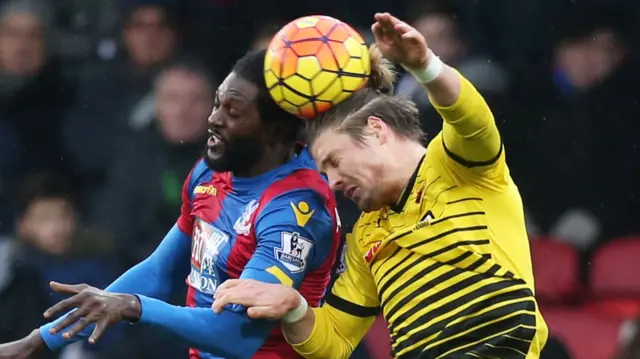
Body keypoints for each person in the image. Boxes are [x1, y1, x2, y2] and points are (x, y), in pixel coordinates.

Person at [211, 12, 549, 359]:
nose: (333, 183)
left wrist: (425, 65)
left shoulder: (459, 166)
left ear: (376, 130)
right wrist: (294, 307)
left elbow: (470, 117)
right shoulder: (365, 239)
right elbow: (336, 340)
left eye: (334, 162)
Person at [0, 50, 342, 359]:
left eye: (233, 112)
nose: (214, 119)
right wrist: (38, 342)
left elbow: (236, 336)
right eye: (217, 103)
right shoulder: (209, 173)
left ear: (274, 131)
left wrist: (135, 306)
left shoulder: (294, 211)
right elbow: (159, 271)